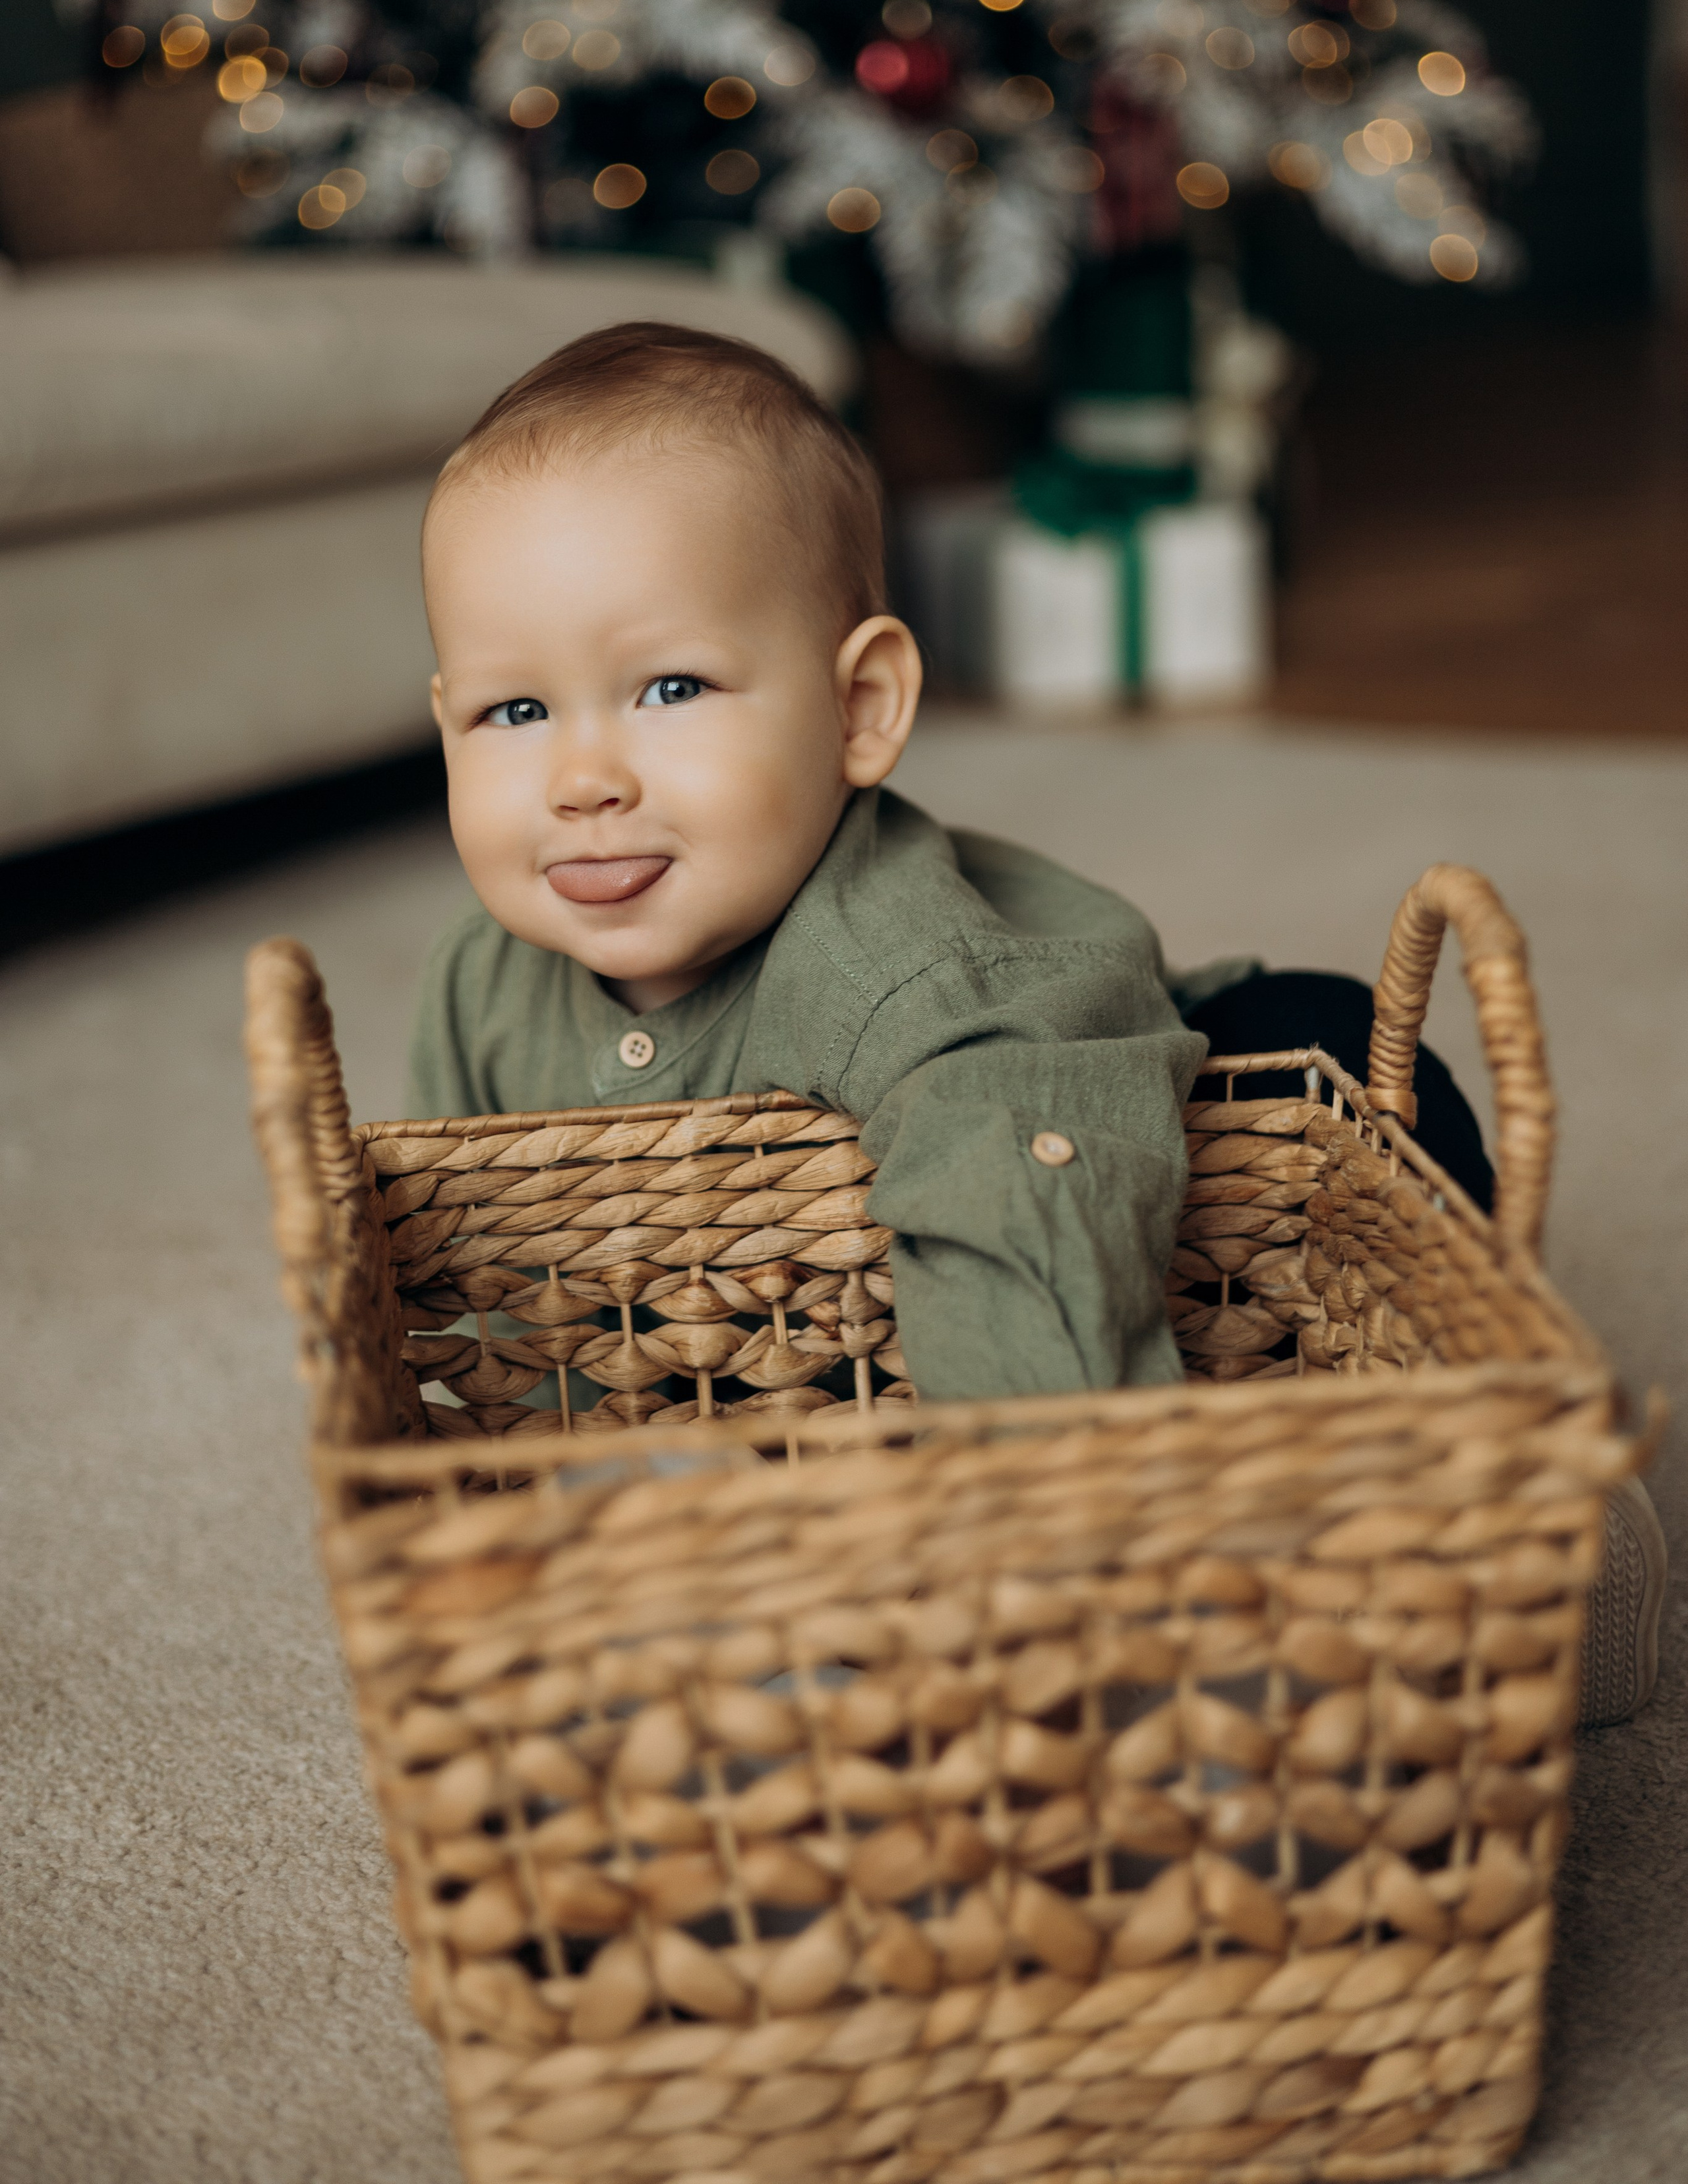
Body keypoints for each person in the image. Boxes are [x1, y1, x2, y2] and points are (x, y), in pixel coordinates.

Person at [407, 318, 1660, 1717]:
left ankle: (1510, 1504)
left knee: (1364, 1117)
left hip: (1123, 1114)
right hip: (896, 1261)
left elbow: (1028, 1273)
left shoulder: (909, 974)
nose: (582, 776)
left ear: (860, 709)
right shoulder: (481, 982)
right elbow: (482, 1279)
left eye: (669, 688)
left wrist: (1047, 1574)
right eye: (514, 710)